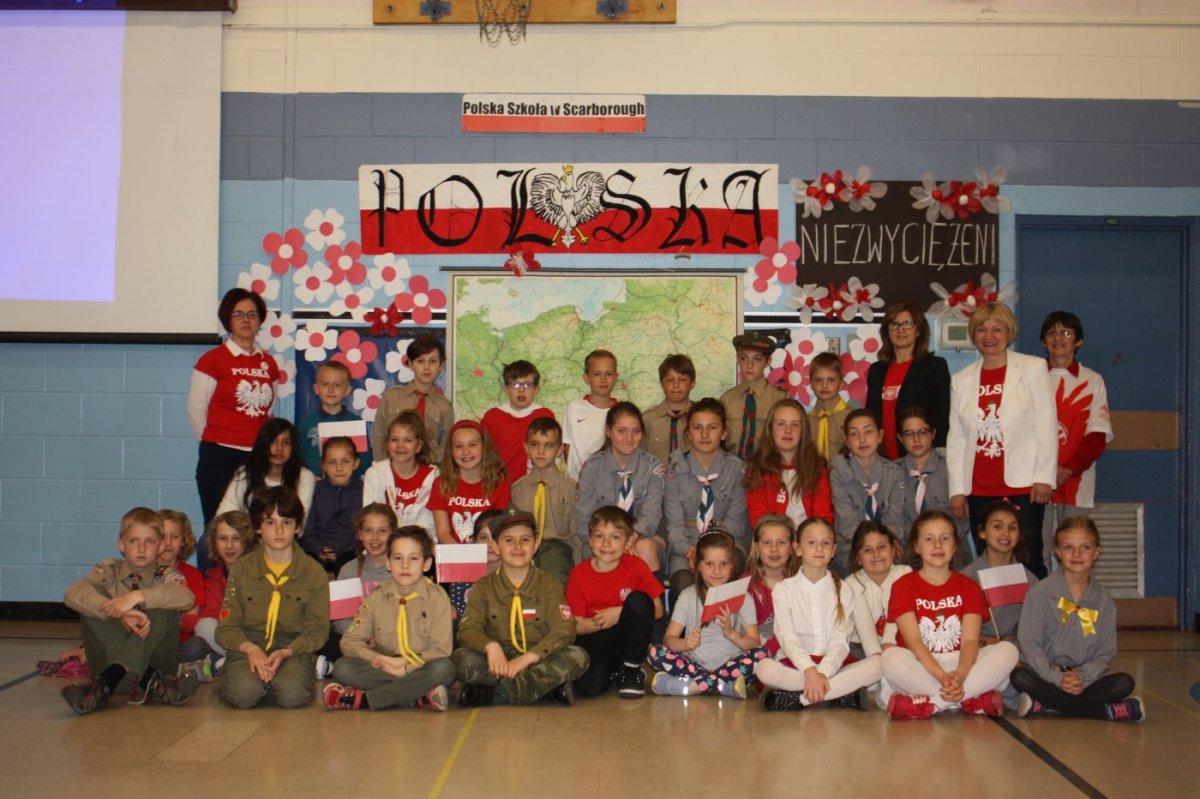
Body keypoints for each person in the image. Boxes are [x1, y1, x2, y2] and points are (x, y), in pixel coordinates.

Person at [947, 301, 1056, 577]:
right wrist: (957, 489)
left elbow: (1046, 425)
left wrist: (1044, 477)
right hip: (979, 487)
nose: (989, 336)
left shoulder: (1033, 368)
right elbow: (956, 438)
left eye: (997, 329)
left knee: (1029, 558)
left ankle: (1033, 607)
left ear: (1009, 332)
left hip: (1024, 484)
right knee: (989, 563)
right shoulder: (961, 379)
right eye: (982, 330)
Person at [881, 510, 1019, 720]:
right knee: (890, 657)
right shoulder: (903, 586)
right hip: (922, 665)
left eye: (945, 538)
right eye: (929, 539)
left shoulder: (969, 586)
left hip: (961, 663)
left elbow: (970, 640)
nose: (937, 545)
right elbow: (914, 641)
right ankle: (968, 699)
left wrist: (960, 676)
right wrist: (942, 676)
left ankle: (932, 704)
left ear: (954, 546)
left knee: (1008, 651)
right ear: (916, 546)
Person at [61, 508, 198, 715]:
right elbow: (72, 593)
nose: (141, 548)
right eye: (133, 541)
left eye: (150, 541)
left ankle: (107, 682)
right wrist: (119, 612)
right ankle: (147, 679)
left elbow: (187, 598)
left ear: (161, 546)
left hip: (149, 668)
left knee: (165, 602)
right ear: (121, 545)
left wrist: (137, 597)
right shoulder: (109, 570)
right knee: (93, 599)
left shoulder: (168, 575)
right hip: (145, 680)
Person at [452, 506, 589, 706]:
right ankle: (543, 689)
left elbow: (565, 629)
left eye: (525, 539)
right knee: (462, 659)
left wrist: (528, 658)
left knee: (578, 656)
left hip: (537, 659)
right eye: (508, 540)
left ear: (536, 545)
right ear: (496, 547)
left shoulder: (549, 584)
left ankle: (493, 694)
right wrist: (491, 647)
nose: (517, 546)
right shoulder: (483, 587)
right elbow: (467, 630)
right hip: (496, 662)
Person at [1012, 517, 1143, 721]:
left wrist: (1081, 677)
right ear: (1057, 552)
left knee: (1124, 683)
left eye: (1085, 547)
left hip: (1087, 681)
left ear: (1097, 552)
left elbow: (1105, 653)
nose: (1076, 554)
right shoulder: (1039, 594)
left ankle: (1047, 704)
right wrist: (1057, 677)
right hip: (1046, 676)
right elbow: (1029, 645)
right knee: (1020, 677)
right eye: (1068, 547)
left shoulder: (1104, 601)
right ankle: (1105, 712)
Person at [216, 487, 330, 709]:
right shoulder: (241, 568)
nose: (279, 530)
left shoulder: (314, 572)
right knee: (244, 694)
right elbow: (226, 627)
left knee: (292, 696)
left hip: (292, 649)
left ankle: (291, 673)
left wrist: (287, 652)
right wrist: (250, 649)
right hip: (248, 646)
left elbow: (318, 630)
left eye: (286, 522)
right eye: (270, 522)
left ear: (297, 527)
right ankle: (239, 673)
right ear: (258, 527)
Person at [322, 526, 456, 711]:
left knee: (444, 669)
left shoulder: (437, 597)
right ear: (388, 563)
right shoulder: (376, 597)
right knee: (342, 668)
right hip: (384, 665)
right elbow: (349, 641)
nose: (405, 565)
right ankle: (419, 694)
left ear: (426, 564)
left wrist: (406, 666)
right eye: (398, 558)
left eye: (413, 558)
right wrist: (377, 659)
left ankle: (366, 699)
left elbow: (442, 649)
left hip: (421, 665)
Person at [188, 288, 279, 561]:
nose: (246, 320)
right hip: (219, 455)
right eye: (238, 314)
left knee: (254, 529)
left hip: (257, 458)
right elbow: (196, 410)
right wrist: (213, 444)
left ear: (260, 320)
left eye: (252, 314)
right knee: (218, 528)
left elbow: (268, 409)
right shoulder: (212, 360)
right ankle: (211, 584)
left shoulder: (269, 363)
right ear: (228, 319)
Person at [756, 517, 882, 711]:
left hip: (833, 665)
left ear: (833, 550)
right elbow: (787, 636)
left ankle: (799, 699)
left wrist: (822, 673)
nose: (819, 549)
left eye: (825, 543)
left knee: (879, 664)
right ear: (797, 549)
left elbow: (840, 640)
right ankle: (838, 694)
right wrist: (810, 671)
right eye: (811, 543)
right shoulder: (784, 590)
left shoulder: (844, 590)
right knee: (764, 668)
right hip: (796, 665)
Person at [648, 530, 766, 699]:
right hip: (694, 664)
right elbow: (669, 640)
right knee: (655, 652)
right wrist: (685, 644)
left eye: (724, 563)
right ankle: (722, 685)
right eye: (709, 564)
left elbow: (754, 643)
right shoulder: (688, 596)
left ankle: (694, 686)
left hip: (731, 665)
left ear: (732, 565)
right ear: (698, 565)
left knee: (762, 654)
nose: (717, 571)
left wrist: (732, 634)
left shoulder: (743, 598)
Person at [566, 506, 665, 698]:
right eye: (599, 536)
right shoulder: (578, 574)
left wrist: (620, 613)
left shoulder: (636, 566)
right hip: (594, 637)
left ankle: (631, 669)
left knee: (639, 600)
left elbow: (658, 610)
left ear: (627, 542)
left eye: (615, 537)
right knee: (588, 688)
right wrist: (602, 621)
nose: (606, 543)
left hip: (625, 636)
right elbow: (576, 626)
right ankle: (615, 673)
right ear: (590, 540)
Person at [1040, 311, 1113, 570]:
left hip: (1075, 483)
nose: (1058, 338)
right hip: (1036, 482)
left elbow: (1096, 436)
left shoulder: (1092, 380)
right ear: (1043, 342)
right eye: (1052, 333)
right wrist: (1046, 471)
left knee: (1074, 553)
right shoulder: (1031, 377)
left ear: (1078, 341)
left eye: (1066, 333)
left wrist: (1066, 470)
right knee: (1037, 552)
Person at [664, 398, 748, 597]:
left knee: (729, 567)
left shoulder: (736, 471)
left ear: (724, 433)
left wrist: (711, 552)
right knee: (683, 583)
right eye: (697, 428)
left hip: (726, 541)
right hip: (687, 544)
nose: (704, 435)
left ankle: (727, 617)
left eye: (712, 428)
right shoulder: (674, 472)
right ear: (688, 433)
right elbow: (674, 526)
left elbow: (736, 523)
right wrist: (691, 550)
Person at [574, 402, 666, 573]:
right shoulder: (592, 467)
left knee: (645, 547)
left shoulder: (653, 467)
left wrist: (631, 537)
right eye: (621, 431)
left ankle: (652, 591)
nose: (629, 438)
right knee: (599, 551)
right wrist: (612, 542)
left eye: (636, 431)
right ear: (609, 431)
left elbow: (651, 516)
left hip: (640, 537)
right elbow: (584, 519)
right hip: (602, 540)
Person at [866, 300, 951, 460]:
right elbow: (871, 416)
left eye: (907, 324)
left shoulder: (934, 367)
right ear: (887, 332)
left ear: (918, 330)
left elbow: (942, 416)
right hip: (882, 459)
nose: (901, 329)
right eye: (894, 324)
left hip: (920, 459)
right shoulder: (876, 371)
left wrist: (938, 457)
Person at [830, 409, 906, 574]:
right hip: (852, 544)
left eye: (868, 432)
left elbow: (894, 518)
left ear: (880, 435)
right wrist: (868, 548)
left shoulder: (895, 473)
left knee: (899, 557)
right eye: (854, 434)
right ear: (847, 441)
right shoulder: (838, 473)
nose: (862, 439)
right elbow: (847, 521)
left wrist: (881, 546)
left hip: (887, 542)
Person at [188, 510, 257, 678]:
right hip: (231, 640)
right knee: (204, 625)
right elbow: (212, 619)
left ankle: (231, 661)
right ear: (214, 543)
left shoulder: (261, 574)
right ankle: (238, 660)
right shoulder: (212, 580)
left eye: (236, 538)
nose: (229, 546)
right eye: (223, 539)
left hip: (258, 639)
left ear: (247, 541)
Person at [896, 405, 968, 565]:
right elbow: (893, 520)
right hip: (909, 553)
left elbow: (963, 522)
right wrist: (920, 539)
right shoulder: (892, 474)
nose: (916, 439)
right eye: (909, 433)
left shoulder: (952, 467)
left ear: (933, 434)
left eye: (923, 432)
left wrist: (938, 538)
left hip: (951, 554)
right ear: (900, 437)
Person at [745, 398, 832, 528]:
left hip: (811, 539)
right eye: (781, 424)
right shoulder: (756, 470)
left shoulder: (818, 470)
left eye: (795, 425)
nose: (788, 431)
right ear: (770, 430)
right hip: (772, 538)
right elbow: (760, 522)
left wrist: (806, 540)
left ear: (803, 431)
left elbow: (823, 518)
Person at [510, 417, 577, 585]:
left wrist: (580, 572)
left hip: (557, 548)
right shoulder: (516, 490)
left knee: (554, 581)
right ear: (526, 447)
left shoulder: (570, 489)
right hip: (522, 548)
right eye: (534, 444)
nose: (541, 451)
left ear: (560, 450)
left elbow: (576, 534)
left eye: (549, 445)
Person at [960, 500, 1039, 642]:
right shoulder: (965, 579)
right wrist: (983, 641)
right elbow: (957, 628)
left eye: (1012, 528)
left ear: (1019, 536)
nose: (1006, 533)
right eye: (997, 526)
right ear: (982, 532)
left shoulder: (1030, 581)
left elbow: (1037, 627)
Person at [372, 334, 454, 464]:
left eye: (433, 361)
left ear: (441, 365)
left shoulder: (445, 407)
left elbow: (445, 449)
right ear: (410, 364)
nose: (426, 367)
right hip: (393, 470)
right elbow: (379, 437)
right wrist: (382, 470)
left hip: (429, 471)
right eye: (420, 361)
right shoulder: (391, 397)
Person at [429, 420, 511, 545]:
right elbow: (443, 533)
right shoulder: (440, 484)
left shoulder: (500, 484)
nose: (465, 452)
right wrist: (464, 555)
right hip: (453, 552)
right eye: (458, 446)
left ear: (484, 448)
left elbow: (498, 530)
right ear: (451, 451)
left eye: (472, 445)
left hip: (488, 551)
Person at [216, 417, 316, 516]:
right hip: (247, 527)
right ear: (263, 444)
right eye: (273, 441)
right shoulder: (245, 473)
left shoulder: (304, 477)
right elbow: (223, 515)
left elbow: (301, 520)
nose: (279, 448)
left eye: (286, 442)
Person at [362, 411, 438, 538]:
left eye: (407, 440)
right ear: (387, 444)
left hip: (420, 542)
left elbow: (430, 524)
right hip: (385, 543)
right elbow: (372, 519)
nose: (400, 445)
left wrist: (407, 543)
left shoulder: (433, 476)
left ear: (419, 446)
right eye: (394, 440)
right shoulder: (375, 473)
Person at [481, 359, 555, 482]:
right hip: (499, 485)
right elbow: (482, 454)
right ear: (506, 389)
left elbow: (552, 453)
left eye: (527, 385)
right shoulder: (492, 417)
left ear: (536, 390)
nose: (521, 390)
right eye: (515, 384)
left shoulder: (545, 416)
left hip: (534, 485)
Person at [846, 521, 911, 660]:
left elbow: (898, 614)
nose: (876, 554)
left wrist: (888, 645)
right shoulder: (853, 584)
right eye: (867, 550)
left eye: (881, 547)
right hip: (860, 646)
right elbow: (865, 628)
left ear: (893, 550)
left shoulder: (904, 574)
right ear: (858, 558)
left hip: (895, 643)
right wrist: (876, 658)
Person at [302, 436, 364, 574]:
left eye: (345, 461)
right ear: (323, 465)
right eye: (332, 462)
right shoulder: (315, 491)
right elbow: (306, 530)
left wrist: (346, 550)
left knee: (350, 566)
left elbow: (365, 530)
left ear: (355, 463)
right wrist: (319, 549)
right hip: (318, 552)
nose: (339, 468)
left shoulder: (363, 491)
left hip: (351, 552)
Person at [720, 332, 786, 460]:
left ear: (768, 361)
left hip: (767, 466)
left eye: (757, 359)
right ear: (737, 359)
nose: (749, 365)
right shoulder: (726, 400)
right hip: (731, 467)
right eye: (744, 358)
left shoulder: (780, 399)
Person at [298, 360, 368, 478]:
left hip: (348, 484)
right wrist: (309, 477)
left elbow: (365, 460)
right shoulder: (307, 423)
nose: (331, 390)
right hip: (315, 484)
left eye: (337, 385)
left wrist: (347, 478)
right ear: (316, 388)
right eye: (325, 384)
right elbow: (297, 459)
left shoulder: (355, 422)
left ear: (347, 390)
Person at [745, 514, 801, 656]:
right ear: (756, 547)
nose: (774, 549)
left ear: (792, 547)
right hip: (756, 649)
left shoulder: (800, 583)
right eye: (767, 543)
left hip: (794, 647)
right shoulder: (746, 584)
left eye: (781, 542)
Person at [157, 510, 206, 668]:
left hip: (179, 642)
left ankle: (161, 667)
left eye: (175, 536)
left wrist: (163, 622)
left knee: (197, 646)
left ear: (184, 540)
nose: (168, 543)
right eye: (162, 536)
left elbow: (191, 619)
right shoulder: (143, 572)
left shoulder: (193, 575)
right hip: (148, 641)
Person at [562, 349, 620, 480]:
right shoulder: (574, 408)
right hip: (578, 484)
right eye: (597, 374)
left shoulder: (622, 412)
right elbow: (567, 447)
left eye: (609, 374)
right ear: (587, 378)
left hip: (610, 484)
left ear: (616, 377)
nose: (603, 379)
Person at [642, 354, 696, 465]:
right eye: (670, 380)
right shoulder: (647, 420)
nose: (676, 385)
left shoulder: (701, 418)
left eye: (682, 380)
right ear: (662, 384)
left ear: (692, 383)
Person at [806, 352, 852, 463]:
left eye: (831, 380)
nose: (824, 385)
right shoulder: (806, 421)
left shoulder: (851, 417)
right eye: (818, 380)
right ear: (811, 384)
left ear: (841, 384)